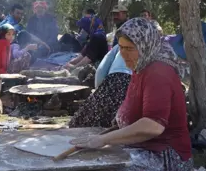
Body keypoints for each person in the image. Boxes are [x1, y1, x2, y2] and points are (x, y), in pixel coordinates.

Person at [70, 18, 193, 171]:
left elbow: (153, 126)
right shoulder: (141, 67)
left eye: (130, 48)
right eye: (121, 47)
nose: (123, 54)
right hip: (143, 147)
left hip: (165, 156)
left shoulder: (158, 72)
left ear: (145, 46)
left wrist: (103, 139)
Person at [69, 44, 132, 128]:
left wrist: (98, 90)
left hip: (113, 80)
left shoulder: (120, 46)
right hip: (134, 84)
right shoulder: (152, 46)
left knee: (83, 121)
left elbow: (101, 69)